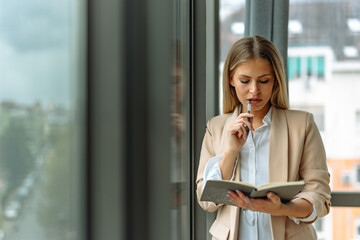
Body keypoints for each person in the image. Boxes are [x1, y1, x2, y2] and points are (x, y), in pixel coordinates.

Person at [196, 35, 331, 240]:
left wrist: (282, 208)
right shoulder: (216, 127)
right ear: (231, 79)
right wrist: (231, 152)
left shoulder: (302, 125)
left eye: (264, 80)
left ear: (275, 80)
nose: (254, 90)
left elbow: (319, 196)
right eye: (245, 80)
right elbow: (206, 201)